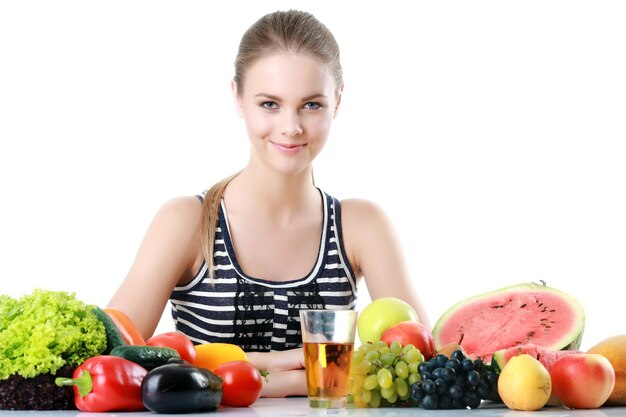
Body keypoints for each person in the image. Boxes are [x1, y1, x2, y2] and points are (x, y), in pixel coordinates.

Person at [108, 9, 429, 397]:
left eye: (312, 104)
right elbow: (110, 362)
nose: (291, 126)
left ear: (338, 101)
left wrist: (240, 372)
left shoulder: (361, 226)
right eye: (269, 104)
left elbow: (423, 366)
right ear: (238, 97)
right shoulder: (188, 222)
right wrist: (273, 371)